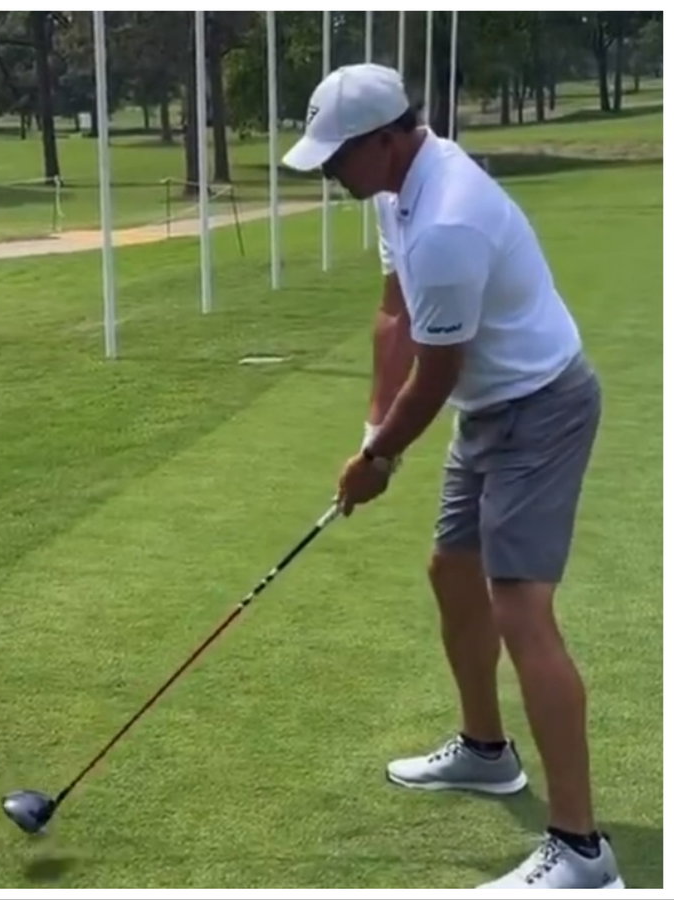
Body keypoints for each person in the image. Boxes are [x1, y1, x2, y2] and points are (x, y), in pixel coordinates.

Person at [282, 63, 621, 890]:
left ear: (388, 139)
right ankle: (485, 752)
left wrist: (380, 461)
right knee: (451, 571)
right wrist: (370, 433)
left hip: (540, 406)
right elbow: (395, 313)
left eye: (337, 159)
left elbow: (435, 374)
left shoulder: (449, 220)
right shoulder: (400, 192)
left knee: (521, 612)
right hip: (490, 408)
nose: (328, 174)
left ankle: (582, 852)